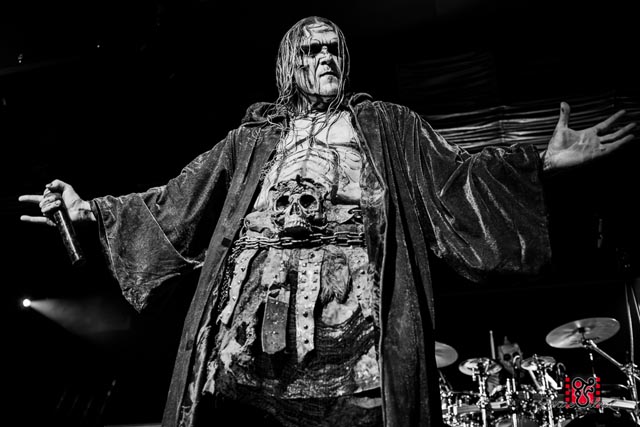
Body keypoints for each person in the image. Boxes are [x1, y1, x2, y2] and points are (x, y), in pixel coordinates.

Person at [19, 15, 635, 427]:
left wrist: (539, 159)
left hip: (353, 323)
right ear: (289, 63)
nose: (326, 59)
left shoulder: (385, 124)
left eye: (333, 49)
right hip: (251, 329)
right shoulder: (253, 138)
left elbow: (456, 177)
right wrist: (90, 209)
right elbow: (177, 199)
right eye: (312, 50)